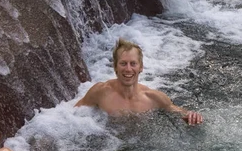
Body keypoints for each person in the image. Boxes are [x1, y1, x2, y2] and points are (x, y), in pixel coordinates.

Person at [75, 38, 203, 125]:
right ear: (115, 67)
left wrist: (192, 116)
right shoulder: (100, 92)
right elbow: (72, 116)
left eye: (133, 64)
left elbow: (179, 112)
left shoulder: (154, 98)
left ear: (141, 67)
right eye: (123, 64)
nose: (128, 69)